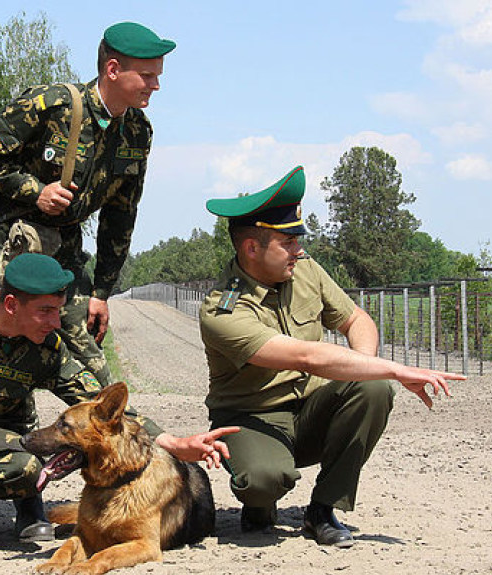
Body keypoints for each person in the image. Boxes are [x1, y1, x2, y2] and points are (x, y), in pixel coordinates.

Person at [0, 253, 236, 572]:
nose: (56, 323)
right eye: (47, 312)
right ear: (11, 304)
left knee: (29, 468)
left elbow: (100, 403)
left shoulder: (47, 349)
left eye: (59, 311)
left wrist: (170, 441)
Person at [198, 166, 466, 548]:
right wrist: (393, 368)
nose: (299, 249)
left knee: (373, 390)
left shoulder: (305, 271)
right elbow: (307, 356)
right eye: (288, 242)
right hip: (252, 418)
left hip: (312, 410)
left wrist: (365, 371)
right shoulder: (222, 310)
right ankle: (261, 500)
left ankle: (322, 510)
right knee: (262, 481)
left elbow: (356, 319)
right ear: (251, 248)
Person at [0, 21, 175, 388]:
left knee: (93, 370)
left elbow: (121, 216)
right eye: (146, 76)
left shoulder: (138, 131)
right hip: (9, 249)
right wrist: (35, 191)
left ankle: (107, 440)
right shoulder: (52, 104)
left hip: (64, 252)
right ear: (113, 70)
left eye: (156, 76)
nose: (155, 85)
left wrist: (102, 292)